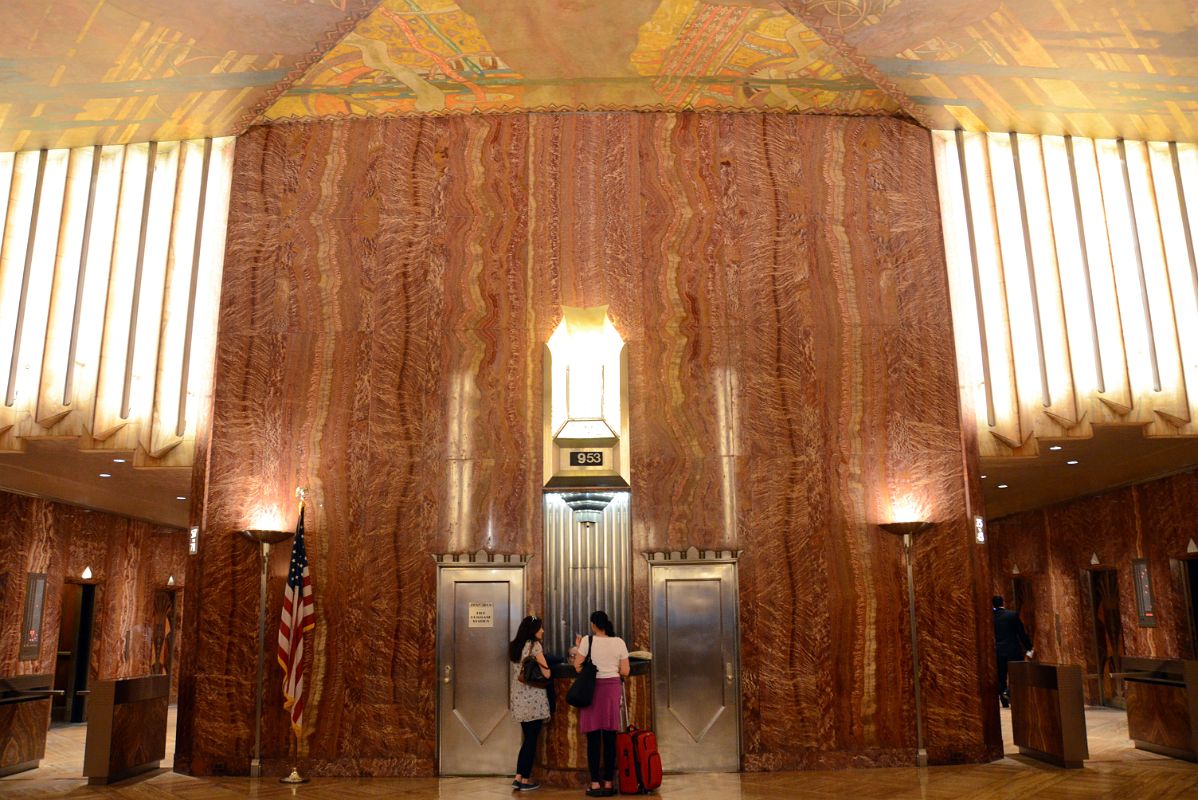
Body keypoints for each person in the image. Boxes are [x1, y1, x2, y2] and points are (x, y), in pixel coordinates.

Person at [573, 610, 629, 798]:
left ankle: (595, 784)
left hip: (592, 690)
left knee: (594, 739)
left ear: (594, 625)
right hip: (612, 689)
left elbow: (577, 665)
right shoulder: (619, 642)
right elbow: (625, 670)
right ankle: (609, 782)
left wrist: (580, 650)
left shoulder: (587, 641)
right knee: (610, 738)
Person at [510, 615, 551, 792]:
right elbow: (547, 674)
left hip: (518, 697)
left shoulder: (515, 646)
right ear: (533, 630)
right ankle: (525, 780)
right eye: (540, 628)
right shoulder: (535, 646)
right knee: (531, 741)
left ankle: (518, 777)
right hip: (533, 699)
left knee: (527, 739)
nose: (542, 631)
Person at [992, 595, 1033, 708]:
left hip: (998, 652)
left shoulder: (991, 618)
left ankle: (1004, 701)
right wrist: (1029, 647)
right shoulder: (1012, 615)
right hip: (1013, 650)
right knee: (1017, 675)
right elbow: (1021, 633)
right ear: (1003, 603)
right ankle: (1011, 694)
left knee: (1001, 676)